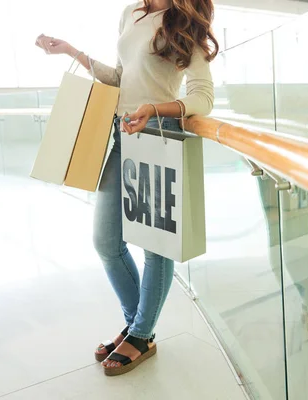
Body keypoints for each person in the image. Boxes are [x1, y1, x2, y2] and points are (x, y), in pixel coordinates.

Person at [35, 0, 217, 376]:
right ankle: (140, 329)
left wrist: (153, 108)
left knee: (155, 247)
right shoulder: (131, 13)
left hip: (159, 135)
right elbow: (121, 78)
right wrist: (72, 52)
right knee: (106, 242)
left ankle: (140, 332)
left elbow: (203, 97)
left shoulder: (184, 22)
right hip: (122, 136)